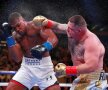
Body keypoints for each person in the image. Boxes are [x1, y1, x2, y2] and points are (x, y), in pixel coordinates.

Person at [32, 15, 107, 90]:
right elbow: (57, 26)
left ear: (79, 30)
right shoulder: (71, 29)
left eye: (70, 29)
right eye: (68, 27)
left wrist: (66, 70)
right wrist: (46, 22)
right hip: (83, 78)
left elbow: (91, 66)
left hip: (94, 78)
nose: (67, 30)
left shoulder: (91, 42)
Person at [1, 12, 61, 90]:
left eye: (18, 25)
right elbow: (17, 58)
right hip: (26, 68)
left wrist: (43, 48)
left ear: (22, 19)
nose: (17, 29)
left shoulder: (36, 25)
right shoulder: (15, 36)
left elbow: (53, 39)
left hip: (44, 68)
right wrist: (9, 37)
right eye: (14, 28)